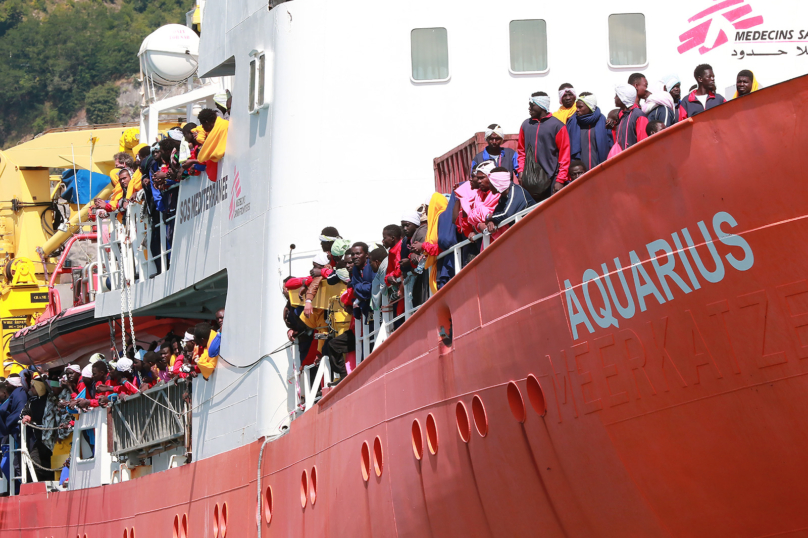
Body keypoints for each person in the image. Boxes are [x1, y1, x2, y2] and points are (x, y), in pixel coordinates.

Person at [517, 92, 571, 201]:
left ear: (541, 105)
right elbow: (521, 151)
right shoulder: (526, 125)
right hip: (529, 180)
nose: (529, 108)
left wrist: (560, 180)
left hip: (551, 179)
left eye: (532, 105)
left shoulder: (557, 126)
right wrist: (521, 171)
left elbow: (564, 155)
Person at [567, 92, 612, 170]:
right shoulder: (572, 122)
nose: (577, 110)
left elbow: (610, 143)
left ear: (590, 107)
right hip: (579, 172)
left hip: (599, 168)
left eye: (580, 107)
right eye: (576, 107)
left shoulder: (602, 120)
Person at [614, 84, 648, 150]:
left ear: (623, 98)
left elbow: (643, 143)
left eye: (617, 95)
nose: (614, 98)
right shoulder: (623, 116)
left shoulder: (638, 115)